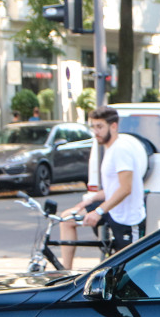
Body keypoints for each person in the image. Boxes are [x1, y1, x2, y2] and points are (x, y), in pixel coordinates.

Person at [58, 106, 147, 269]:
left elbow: (126, 188)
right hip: (112, 211)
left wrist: (98, 212)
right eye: (93, 127)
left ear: (113, 126)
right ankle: (66, 272)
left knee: (130, 267)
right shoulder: (110, 149)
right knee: (67, 219)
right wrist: (89, 200)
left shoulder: (121, 149)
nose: (95, 132)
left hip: (128, 218)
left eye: (100, 127)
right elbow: (112, 188)